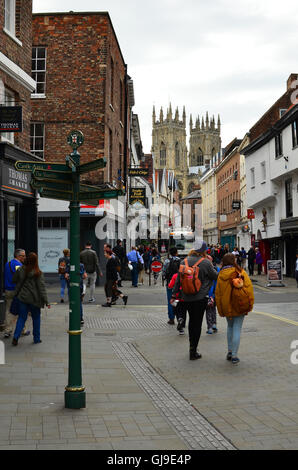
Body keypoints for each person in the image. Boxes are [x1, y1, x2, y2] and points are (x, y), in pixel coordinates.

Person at [172, 240, 218, 360]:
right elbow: (215, 276)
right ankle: (193, 351)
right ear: (203, 250)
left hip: (186, 297)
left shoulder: (184, 261)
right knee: (196, 324)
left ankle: (191, 348)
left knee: (191, 323)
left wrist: (173, 295)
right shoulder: (206, 262)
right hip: (200, 298)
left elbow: (178, 281)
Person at [215, 253, 254, 365]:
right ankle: (235, 356)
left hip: (227, 306)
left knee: (230, 327)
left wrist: (220, 307)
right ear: (234, 261)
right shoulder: (240, 272)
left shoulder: (221, 274)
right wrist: (249, 303)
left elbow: (218, 293)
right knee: (237, 328)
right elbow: (249, 289)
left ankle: (230, 351)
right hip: (239, 304)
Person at [11, 252, 50, 346]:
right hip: (34, 299)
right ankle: (36, 338)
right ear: (36, 261)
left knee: (21, 318)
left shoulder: (21, 269)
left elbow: (14, 280)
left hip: (23, 298)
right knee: (36, 318)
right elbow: (42, 288)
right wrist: (46, 301)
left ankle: (16, 337)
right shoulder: (38, 272)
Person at [3, 248, 29, 339]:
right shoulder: (18, 265)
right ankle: (23, 330)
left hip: (7, 290)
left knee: (9, 310)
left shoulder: (7, 264)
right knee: (21, 310)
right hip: (17, 291)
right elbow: (21, 277)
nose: (25, 257)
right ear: (18, 256)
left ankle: (7, 330)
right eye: (23, 256)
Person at [162, 247, 181, 325]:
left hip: (170, 283)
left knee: (170, 301)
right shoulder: (181, 261)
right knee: (179, 301)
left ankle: (171, 319)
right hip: (179, 284)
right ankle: (180, 318)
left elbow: (164, 272)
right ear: (176, 253)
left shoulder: (167, 261)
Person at [205, 257, 220, 335]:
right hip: (215, 293)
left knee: (208, 310)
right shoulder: (217, 269)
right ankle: (214, 324)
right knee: (213, 309)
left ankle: (210, 327)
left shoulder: (204, 268)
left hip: (207, 293)